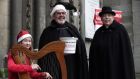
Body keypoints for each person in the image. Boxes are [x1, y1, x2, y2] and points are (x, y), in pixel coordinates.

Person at [37, 2, 88, 79]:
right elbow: (43, 52)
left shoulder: (72, 29)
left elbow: (81, 46)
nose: (61, 15)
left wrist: (75, 43)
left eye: (63, 13)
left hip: (71, 64)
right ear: (54, 15)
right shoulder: (47, 32)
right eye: (58, 13)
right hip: (54, 65)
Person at [89, 6, 136, 79]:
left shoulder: (120, 30)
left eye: (109, 15)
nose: (107, 17)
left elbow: (126, 52)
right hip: (102, 69)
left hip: (117, 68)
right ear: (101, 18)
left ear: (113, 17)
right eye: (104, 16)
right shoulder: (98, 32)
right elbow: (93, 52)